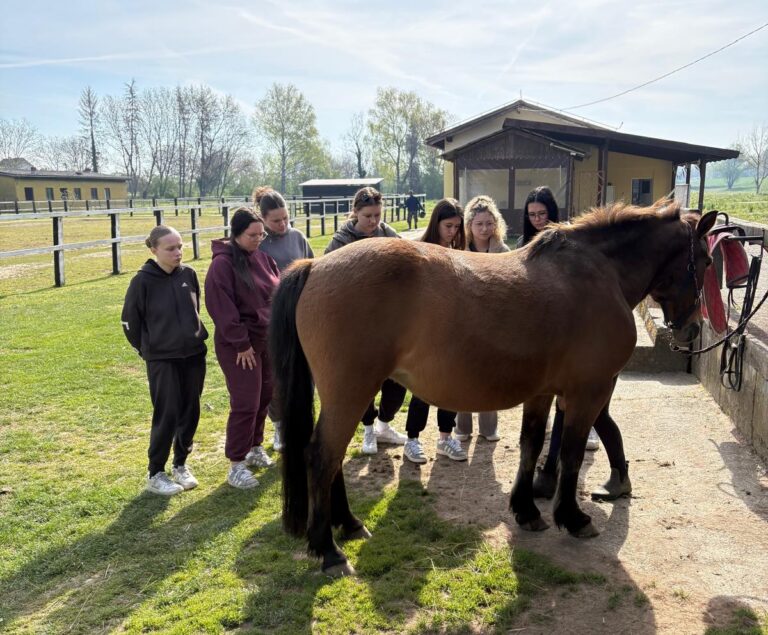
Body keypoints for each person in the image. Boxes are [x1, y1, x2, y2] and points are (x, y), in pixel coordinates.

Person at [121, 225, 208, 496]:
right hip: (162, 359)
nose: (178, 252)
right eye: (171, 248)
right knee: (167, 413)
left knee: (190, 411)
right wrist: (147, 348)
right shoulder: (142, 281)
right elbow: (129, 322)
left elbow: (196, 309)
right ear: (154, 250)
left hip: (193, 356)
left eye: (180, 246)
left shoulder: (189, 275)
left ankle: (180, 464)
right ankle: (155, 472)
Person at [324, 186, 408, 453]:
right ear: (355, 213)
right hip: (356, 325)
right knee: (364, 382)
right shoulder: (340, 242)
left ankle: (384, 424)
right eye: (368, 216)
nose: (373, 221)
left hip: (389, 322)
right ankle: (369, 430)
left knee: (398, 381)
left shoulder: (387, 234)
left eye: (377, 215)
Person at [205, 207, 280, 489]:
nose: (258, 239)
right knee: (246, 400)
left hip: (266, 340)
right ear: (236, 234)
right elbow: (221, 308)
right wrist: (241, 343)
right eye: (252, 235)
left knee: (265, 395)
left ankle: (254, 446)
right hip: (239, 346)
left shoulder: (263, 259)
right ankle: (236, 463)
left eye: (261, 234)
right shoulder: (222, 265)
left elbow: (276, 293)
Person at [402, 198, 468, 463]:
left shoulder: (460, 252)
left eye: (457, 227)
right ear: (436, 223)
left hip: (454, 330)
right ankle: (412, 440)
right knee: (423, 387)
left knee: (451, 386)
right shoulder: (419, 250)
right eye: (448, 226)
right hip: (424, 331)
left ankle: (445, 438)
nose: (452, 232)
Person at [253, 185, 314, 452]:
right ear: (263, 219)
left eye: (285, 218)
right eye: (276, 220)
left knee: (307, 371)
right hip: (273, 318)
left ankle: (303, 424)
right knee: (277, 375)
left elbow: (313, 268)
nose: (282, 224)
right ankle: (279, 427)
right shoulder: (259, 244)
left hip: (302, 315)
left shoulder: (298, 237)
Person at [454, 195, 509, 443]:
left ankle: (488, 428)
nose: (485, 228)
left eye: (489, 223)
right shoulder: (458, 251)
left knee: (491, 375)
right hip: (465, 320)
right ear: (470, 226)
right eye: (479, 224)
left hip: (494, 321)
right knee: (463, 373)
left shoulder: (504, 251)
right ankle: (462, 427)